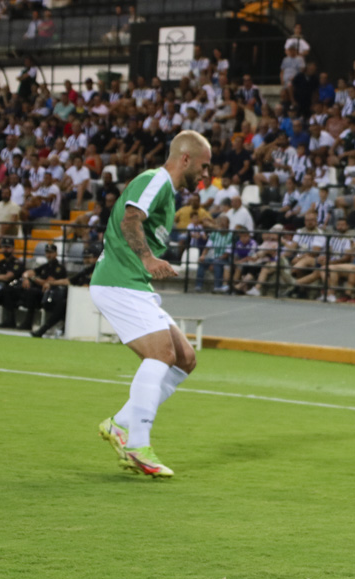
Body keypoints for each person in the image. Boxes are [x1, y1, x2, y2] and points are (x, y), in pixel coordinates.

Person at [91, 130, 211, 478]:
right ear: (185, 159)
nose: (205, 175)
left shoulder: (169, 195)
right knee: (162, 355)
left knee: (185, 359)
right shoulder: (155, 180)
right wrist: (146, 259)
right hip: (119, 282)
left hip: (132, 284)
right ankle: (137, 444)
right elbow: (130, 220)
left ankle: (121, 424)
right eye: (203, 166)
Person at [32, 248, 99, 338]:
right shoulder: (87, 270)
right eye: (85, 257)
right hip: (79, 299)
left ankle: (44, 329)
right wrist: (49, 283)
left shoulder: (99, 270)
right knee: (61, 299)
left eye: (89, 258)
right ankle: (53, 329)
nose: (86, 260)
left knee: (64, 304)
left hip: (90, 301)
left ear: (96, 258)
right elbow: (68, 281)